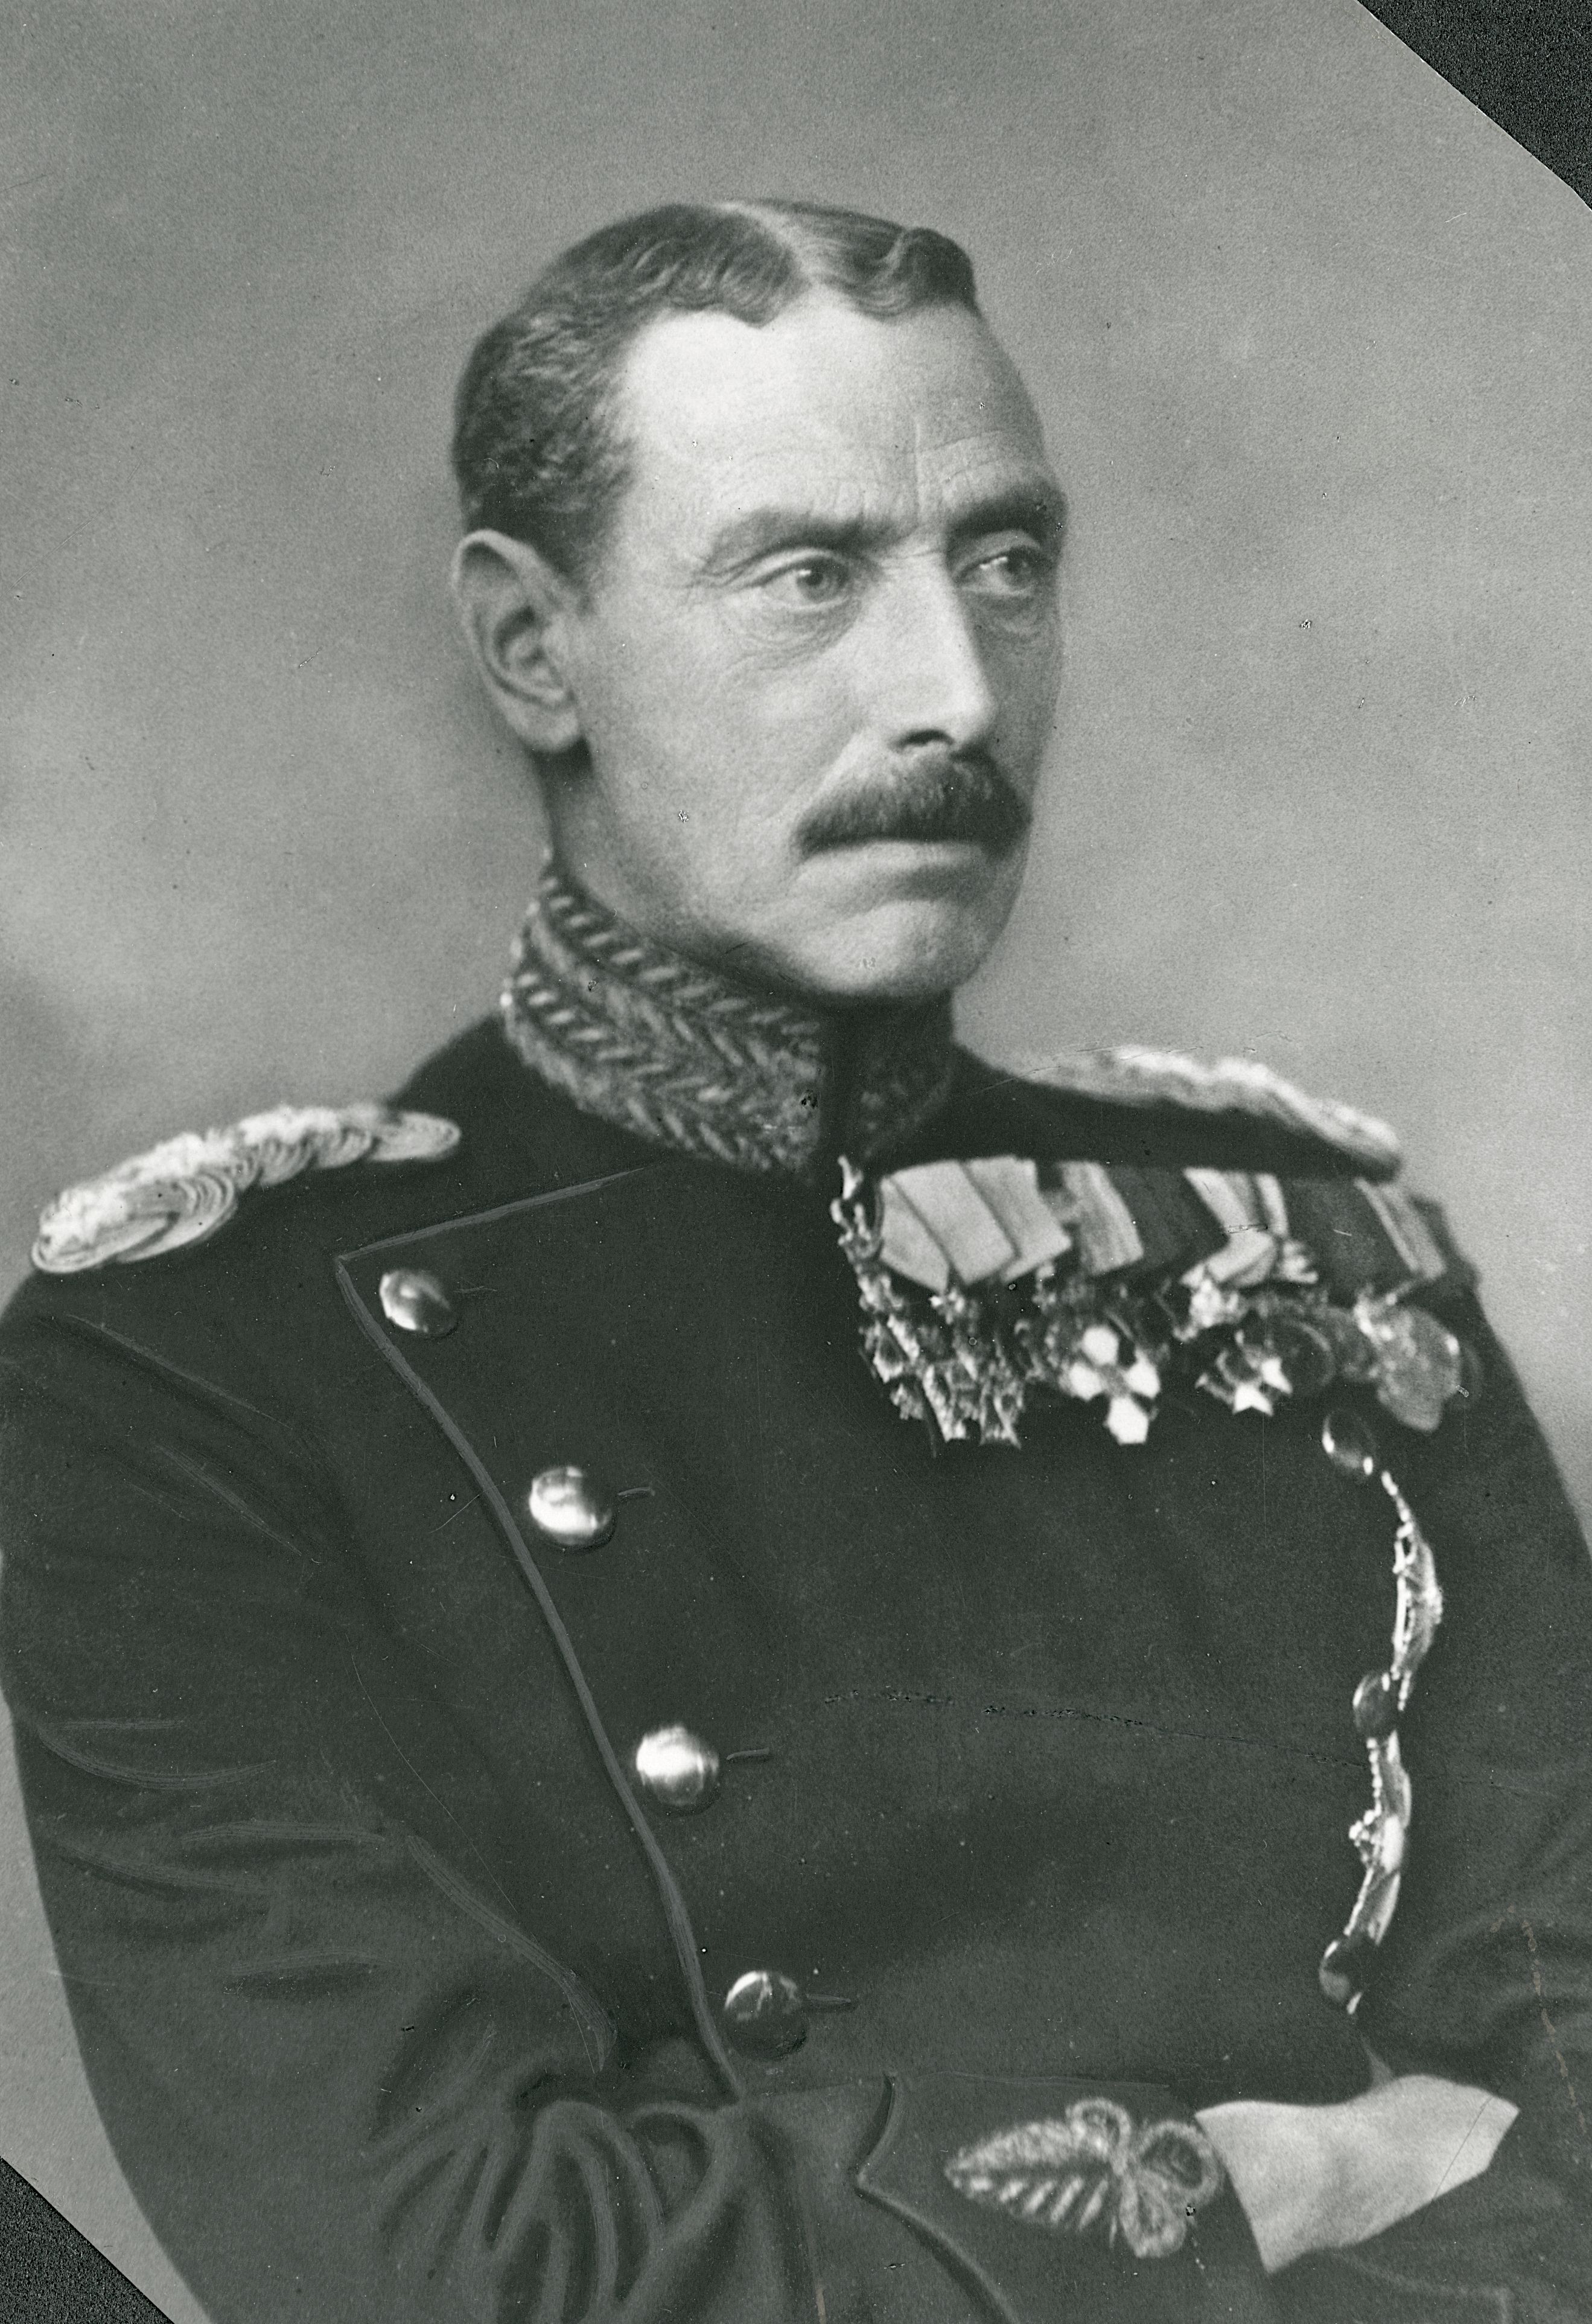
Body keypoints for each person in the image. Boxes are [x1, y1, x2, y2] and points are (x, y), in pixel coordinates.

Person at [1, 199, 1587, 2324]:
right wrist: (1286, 2174)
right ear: (532, 648)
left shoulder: (1304, 1248)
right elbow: (449, 2262)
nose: (956, 694)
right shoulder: (194, 1362)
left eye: (1004, 562)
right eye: (809, 576)